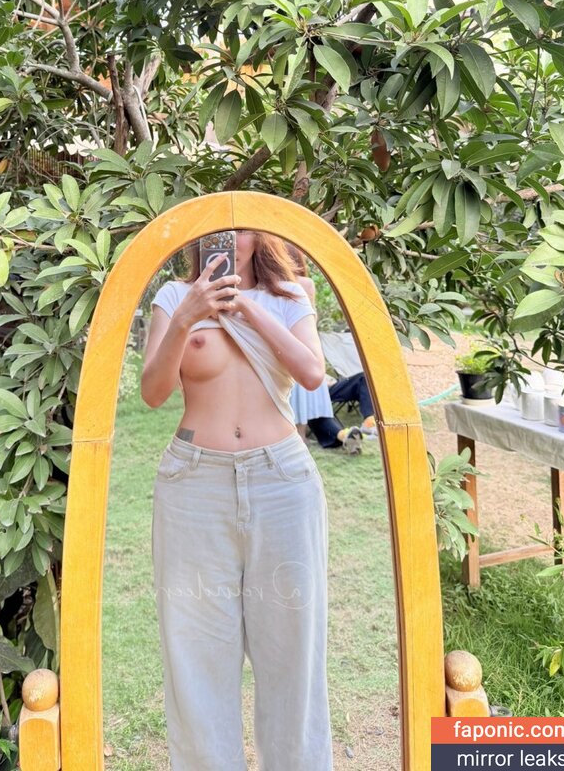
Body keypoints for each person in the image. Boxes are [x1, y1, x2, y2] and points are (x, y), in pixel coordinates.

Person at [141, 230, 334, 771]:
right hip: (193, 484)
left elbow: (312, 373)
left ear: (262, 232)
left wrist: (245, 307)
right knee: (195, 649)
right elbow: (153, 392)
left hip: (282, 481)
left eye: (244, 225)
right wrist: (188, 316)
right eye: (219, 225)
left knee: (293, 646)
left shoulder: (290, 296)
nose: (231, 236)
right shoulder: (173, 297)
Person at [284, 245, 363, 455]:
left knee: (292, 397)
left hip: (285, 349)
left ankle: (299, 437)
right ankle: (306, 436)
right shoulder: (306, 284)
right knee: (305, 399)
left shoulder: (275, 286)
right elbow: (312, 319)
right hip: (307, 349)